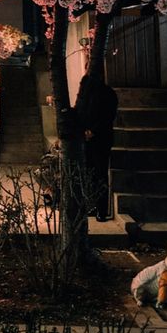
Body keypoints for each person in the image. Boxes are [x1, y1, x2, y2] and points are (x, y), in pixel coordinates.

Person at [75, 71, 119, 222]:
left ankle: (101, 209)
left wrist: (92, 130)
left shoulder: (107, 94)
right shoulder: (87, 93)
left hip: (101, 139)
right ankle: (94, 205)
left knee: (100, 174)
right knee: (91, 174)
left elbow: (108, 116)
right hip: (90, 138)